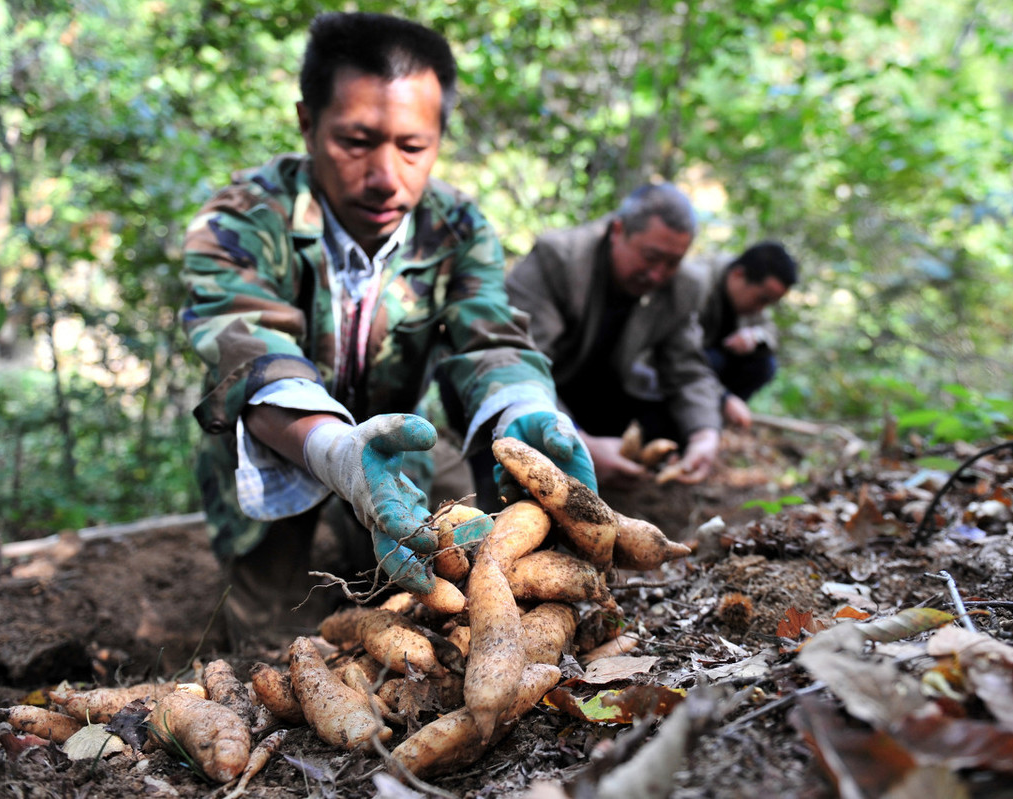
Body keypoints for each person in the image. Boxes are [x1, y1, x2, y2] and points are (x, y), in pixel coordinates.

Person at [179, 11, 593, 647]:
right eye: (356, 142)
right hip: (279, 442)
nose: (385, 176)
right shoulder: (241, 222)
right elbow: (251, 359)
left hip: (401, 439)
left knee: (449, 594)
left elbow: (489, 335)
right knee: (269, 645)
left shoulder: (457, 226)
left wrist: (525, 405)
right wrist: (339, 454)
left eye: (411, 147)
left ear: (438, 140)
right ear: (307, 124)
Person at [505, 183, 725, 490]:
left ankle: (624, 482)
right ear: (618, 231)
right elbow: (517, 360)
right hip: (533, 386)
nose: (658, 275)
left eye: (672, 263)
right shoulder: (557, 259)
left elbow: (687, 368)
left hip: (598, 387)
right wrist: (574, 439)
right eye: (651, 257)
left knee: (671, 417)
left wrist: (704, 433)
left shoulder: (685, 287)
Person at [691, 242, 798, 430]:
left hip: (710, 371)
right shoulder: (697, 283)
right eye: (763, 299)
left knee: (765, 364)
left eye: (770, 303)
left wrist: (756, 336)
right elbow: (679, 355)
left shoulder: (752, 297)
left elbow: (769, 330)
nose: (762, 308)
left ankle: (714, 425)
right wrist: (723, 398)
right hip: (684, 369)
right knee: (713, 360)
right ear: (738, 274)